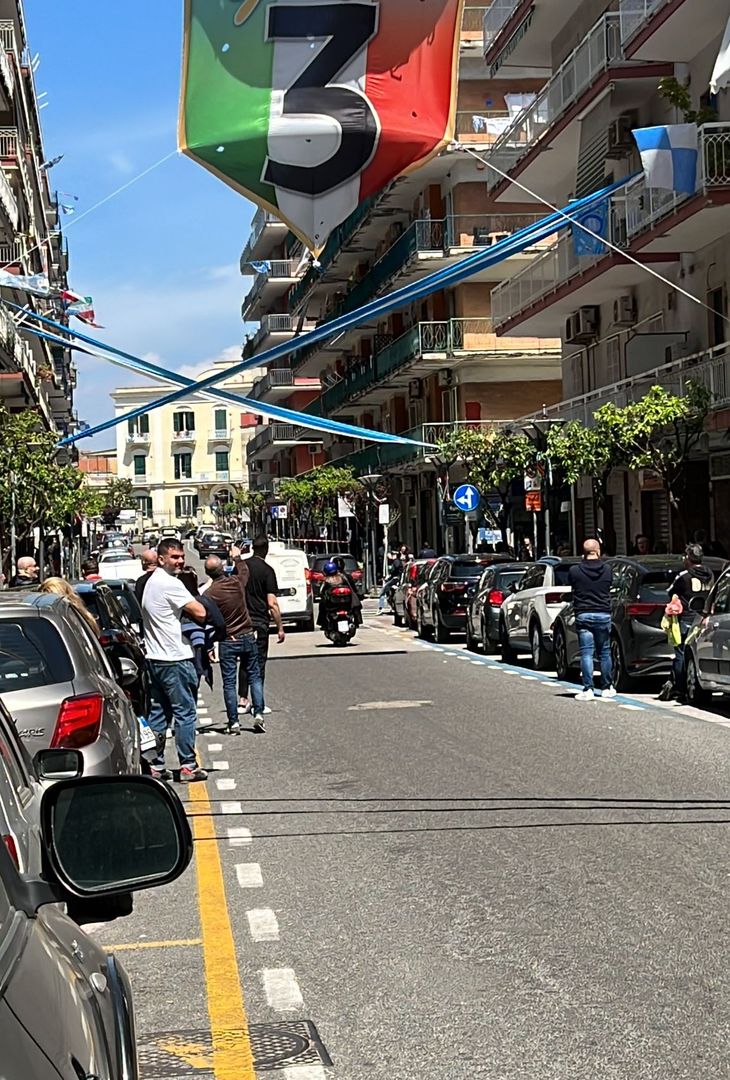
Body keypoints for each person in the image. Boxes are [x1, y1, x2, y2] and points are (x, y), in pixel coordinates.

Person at [141, 538, 208, 782]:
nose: (180, 561)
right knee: (185, 713)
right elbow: (200, 612)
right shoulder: (170, 584)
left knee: (158, 715)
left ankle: (155, 765)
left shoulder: (151, 582)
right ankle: (188, 765)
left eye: (181, 557)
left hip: (155, 658)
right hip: (175, 658)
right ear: (161, 559)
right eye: (174, 557)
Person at [204, 552, 265, 734]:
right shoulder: (236, 583)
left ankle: (233, 721)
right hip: (247, 634)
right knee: (254, 675)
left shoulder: (210, 593)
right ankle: (259, 713)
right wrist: (237, 558)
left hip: (227, 639)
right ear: (222, 569)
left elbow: (208, 619)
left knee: (229, 682)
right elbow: (244, 571)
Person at [237, 536, 285, 719]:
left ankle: (242, 699)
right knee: (258, 662)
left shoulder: (241, 567)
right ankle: (259, 702)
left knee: (244, 660)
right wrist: (279, 627)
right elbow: (272, 603)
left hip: (241, 622)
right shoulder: (267, 571)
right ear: (266, 549)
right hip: (259, 622)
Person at [663, 544, 714, 702]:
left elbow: (670, 591)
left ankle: (680, 688)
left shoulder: (684, 575)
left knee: (681, 654)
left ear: (688, 558)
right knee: (698, 654)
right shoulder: (710, 574)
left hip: (685, 619)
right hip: (704, 618)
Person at [568, 539, 616, 702]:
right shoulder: (608, 569)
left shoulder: (575, 570)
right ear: (598, 551)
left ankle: (588, 688)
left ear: (584, 552)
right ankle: (607, 687)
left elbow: (573, 587)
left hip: (583, 613)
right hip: (603, 613)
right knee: (604, 652)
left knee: (586, 653)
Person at [378, 550, 403, 614]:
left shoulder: (396, 562)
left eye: (391, 554)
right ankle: (392, 607)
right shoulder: (396, 562)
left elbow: (394, 571)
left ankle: (381, 608)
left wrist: (388, 578)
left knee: (382, 592)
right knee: (391, 594)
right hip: (396, 579)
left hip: (394, 579)